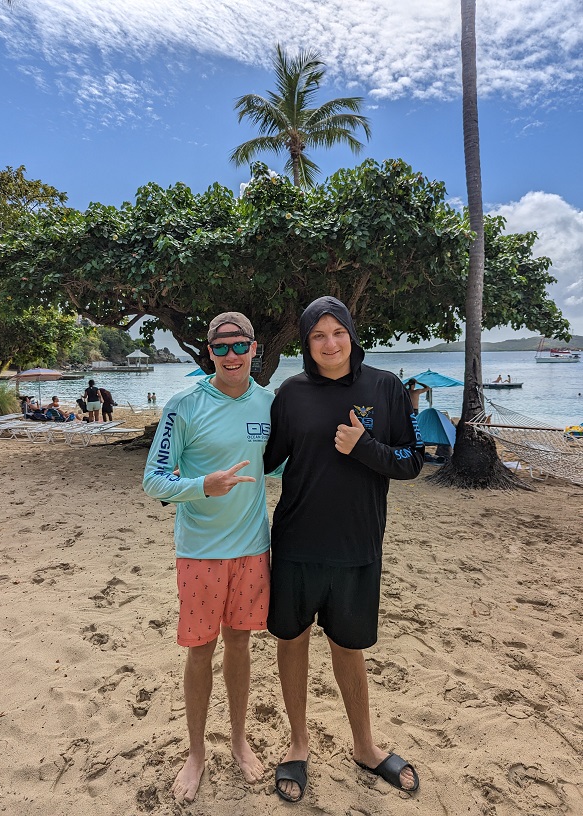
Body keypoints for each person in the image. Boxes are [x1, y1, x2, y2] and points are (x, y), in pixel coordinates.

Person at [263, 296, 424, 803]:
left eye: (338, 332)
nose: (330, 343)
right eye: (318, 335)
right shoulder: (290, 393)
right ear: (306, 343)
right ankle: (298, 742)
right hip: (296, 545)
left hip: (358, 546)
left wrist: (366, 448)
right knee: (292, 640)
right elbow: (264, 458)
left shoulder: (385, 387)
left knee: (348, 647)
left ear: (351, 333)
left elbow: (412, 460)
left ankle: (365, 745)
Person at [143, 311, 274, 803]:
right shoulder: (184, 404)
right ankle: (196, 752)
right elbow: (154, 480)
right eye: (221, 348)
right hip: (199, 553)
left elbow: (281, 460)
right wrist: (203, 485)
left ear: (255, 348)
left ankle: (239, 739)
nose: (231, 355)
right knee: (201, 651)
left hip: (252, 549)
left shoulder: (269, 403)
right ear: (209, 352)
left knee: (240, 645)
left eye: (240, 345)